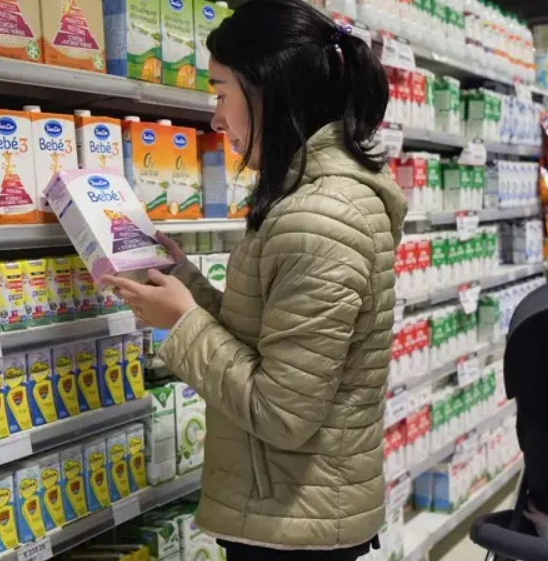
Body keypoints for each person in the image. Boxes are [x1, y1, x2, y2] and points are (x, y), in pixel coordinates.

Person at [104, 1, 407, 559]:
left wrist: (183, 324)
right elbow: (271, 339)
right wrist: (186, 283)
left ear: (269, 90)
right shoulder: (313, 199)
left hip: (293, 527)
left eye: (222, 94)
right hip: (296, 510)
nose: (216, 120)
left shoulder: (317, 217)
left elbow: (282, 413)